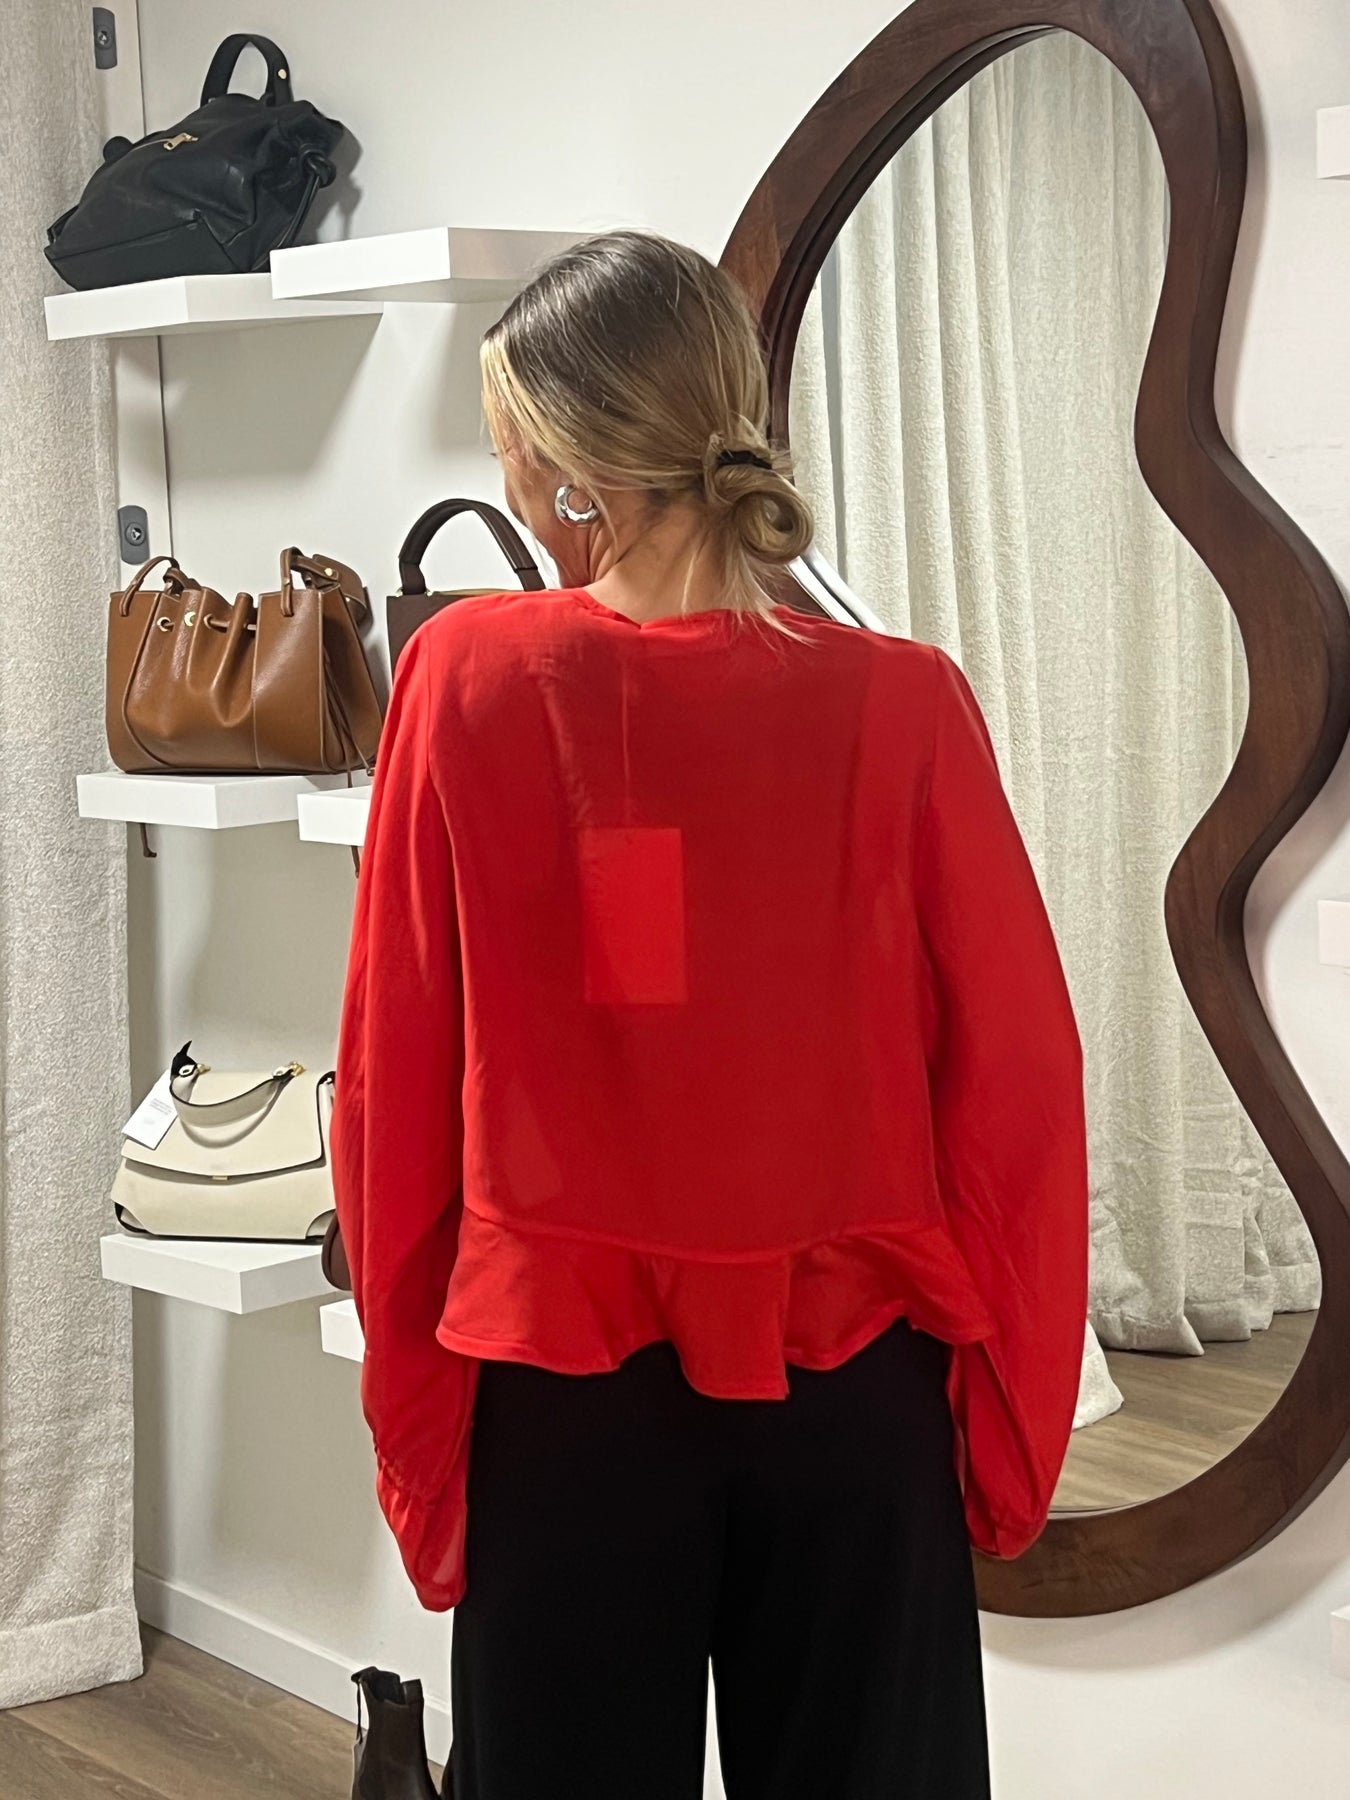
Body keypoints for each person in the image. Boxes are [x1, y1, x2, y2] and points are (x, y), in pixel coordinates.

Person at [331, 229, 1088, 1800]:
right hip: (858, 1396)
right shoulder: (903, 701)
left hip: (564, 1401)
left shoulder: (464, 678)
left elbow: (396, 1074)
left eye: (502, 438)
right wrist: (1010, 1431)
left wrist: (416, 1426)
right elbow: (1015, 1084)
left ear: (558, 465)